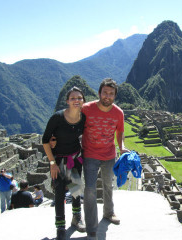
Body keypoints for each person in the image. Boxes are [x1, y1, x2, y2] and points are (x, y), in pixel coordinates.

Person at [81, 78, 129, 240]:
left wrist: (121, 146)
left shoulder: (118, 113)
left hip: (109, 155)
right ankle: (91, 224)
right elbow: (73, 124)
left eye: (111, 93)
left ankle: (109, 213)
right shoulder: (86, 109)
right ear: (99, 93)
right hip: (89, 155)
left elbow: (120, 132)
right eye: (105, 92)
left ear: (115, 95)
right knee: (90, 190)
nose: (107, 96)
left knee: (108, 185)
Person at [42, 86, 86, 240]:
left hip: (75, 159)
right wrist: (52, 163)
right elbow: (45, 140)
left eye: (79, 98)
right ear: (67, 101)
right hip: (59, 161)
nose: (76, 100)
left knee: (75, 190)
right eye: (73, 98)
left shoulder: (83, 118)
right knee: (60, 193)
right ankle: (60, 226)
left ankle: (76, 218)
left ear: (83, 101)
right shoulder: (57, 118)